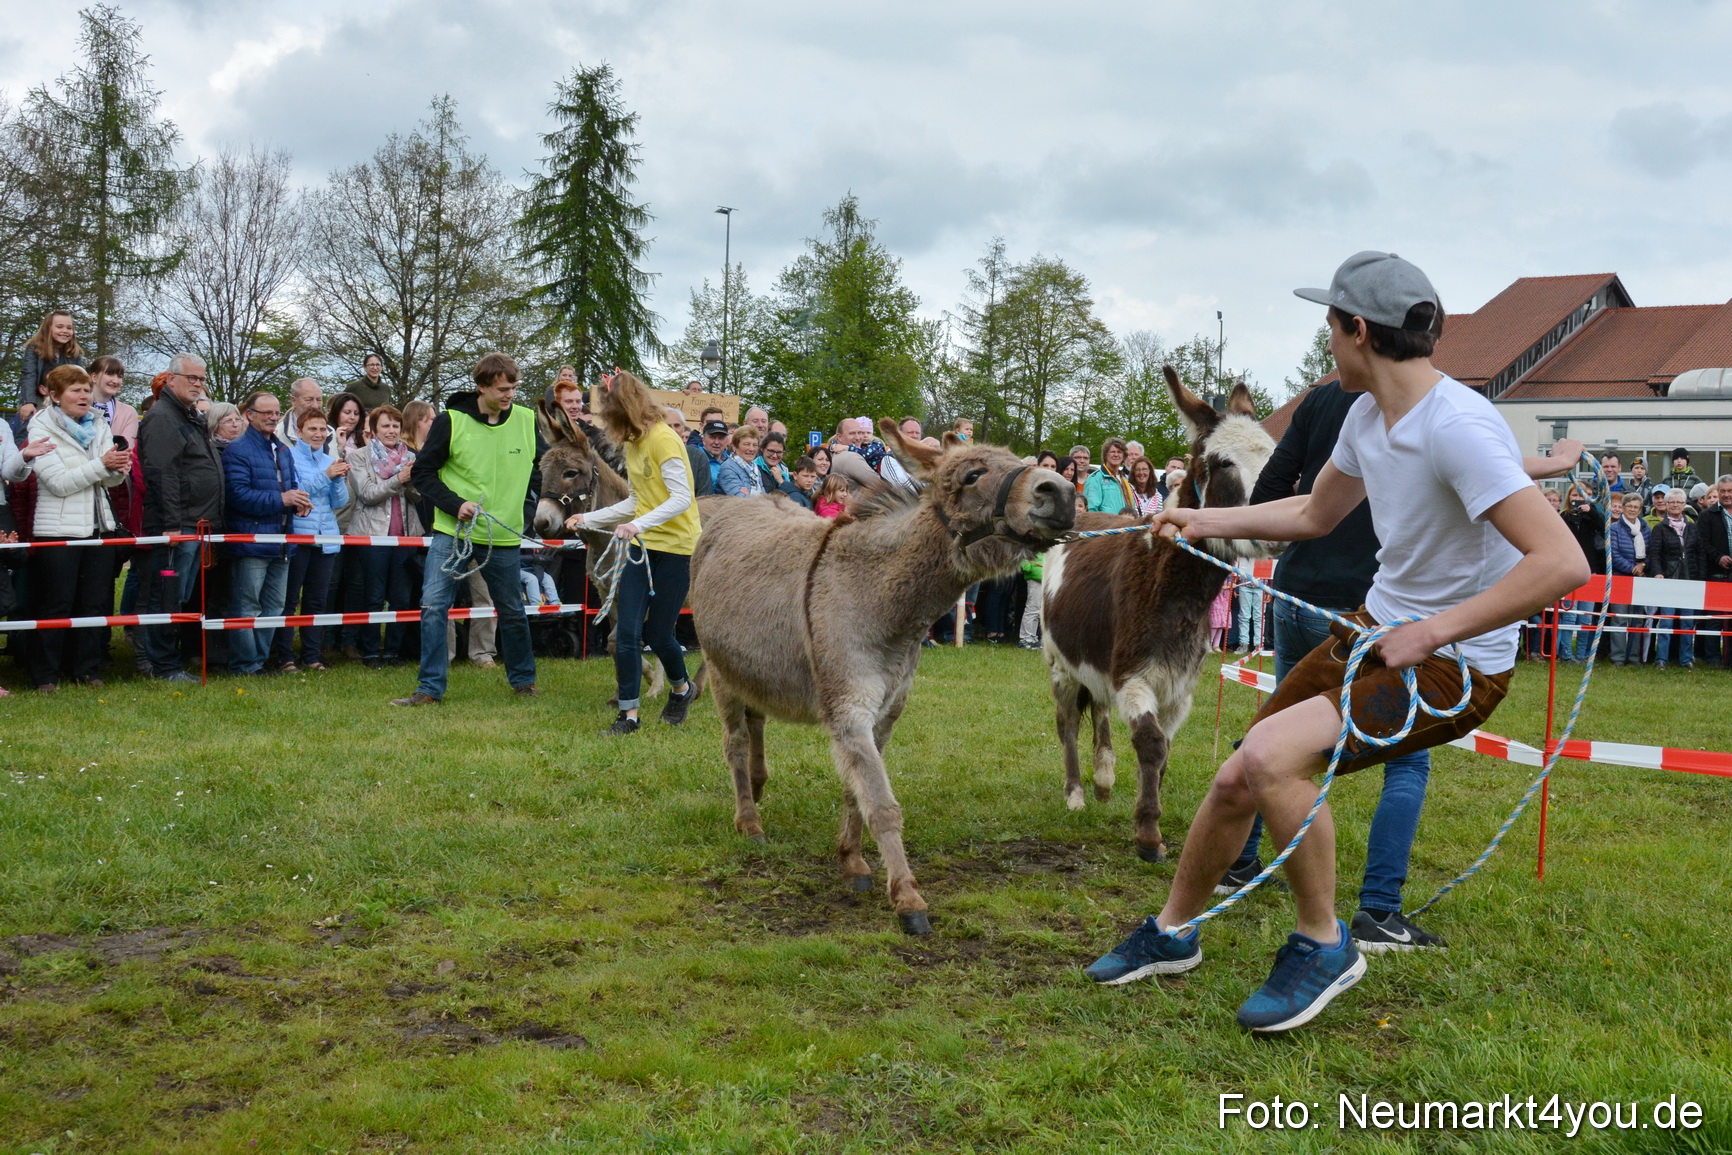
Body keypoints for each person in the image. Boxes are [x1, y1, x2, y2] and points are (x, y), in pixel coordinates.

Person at [1084, 251, 1588, 1034]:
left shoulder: (1456, 427)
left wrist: (1435, 629)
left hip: (1455, 665)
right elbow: (1314, 515)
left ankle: (1325, 942)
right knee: (1234, 778)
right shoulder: (1363, 415)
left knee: (1272, 757)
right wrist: (1204, 519)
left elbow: (1564, 562)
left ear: (1358, 330)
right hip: (1372, 627)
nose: (1325, 344)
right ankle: (1173, 932)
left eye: (1330, 326)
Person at [396, 353, 540, 705]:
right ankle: (429, 689)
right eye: (503, 389)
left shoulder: (526, 420)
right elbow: (423, 473)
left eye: (514, 388)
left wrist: (527, 509)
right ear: (482, 386)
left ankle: (524, 681)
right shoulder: (451, 421)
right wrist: (454, 504)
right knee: (432, 605)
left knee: (511, 610)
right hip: (452, 532)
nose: (510, 395)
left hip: (502, 537)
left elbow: (541, 471)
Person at [562, 369, 700, 735]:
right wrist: (589, 517)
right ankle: (629, 716)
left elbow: (681, 498)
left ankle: (682, 689)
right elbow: (637, 500)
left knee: (659, 634)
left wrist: (639, 525)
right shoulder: (634, 444)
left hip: (676, 549)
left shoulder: (664, 441)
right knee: (626, 632)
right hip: (641, 550)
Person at [25, 365, 127, 690]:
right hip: (58, 531)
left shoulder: (99, 424)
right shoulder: (40, 428)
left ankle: (86, 670)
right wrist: (102, 465)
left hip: (100, 527)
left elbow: (111, 479)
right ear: (54, 396)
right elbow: (58, 483)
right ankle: (46, 676)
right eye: (75, 390)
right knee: (57, 603)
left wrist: (118, 468)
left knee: (94, 604)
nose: (83, 395)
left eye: (86, 389)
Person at [135, 354, 222, 682]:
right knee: (167, 597)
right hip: (178, 526)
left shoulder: (189, 415)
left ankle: (169, 662)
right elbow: (162, 474)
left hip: (196, 523)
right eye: (191, 378)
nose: (198, 384)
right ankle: (163, 666)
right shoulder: (162, 417)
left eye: (201, 379)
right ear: (171, 379)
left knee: (180, 597)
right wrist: (172, 526)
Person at [224, 391, 310, 676]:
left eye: (277, 413)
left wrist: (299, 503)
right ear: (250, 414)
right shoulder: (237, 450)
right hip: (251, 542)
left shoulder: (283, 450)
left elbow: (291, 485)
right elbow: (237, 496)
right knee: (247, 605)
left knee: (274, 607)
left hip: (282, 542)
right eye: (266, 413)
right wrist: (282, 500)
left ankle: (259, 661)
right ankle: (245, 664)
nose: (274, 418)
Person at [275, 408, 350, 671]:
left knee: (317, 601)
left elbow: (340, 502)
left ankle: (312, 655)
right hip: (298, 536)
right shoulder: (289, 457)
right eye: (312, 429)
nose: (318, 434)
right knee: (290, 599)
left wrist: (338, 479)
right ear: (299, 432)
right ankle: (284, 656)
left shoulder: (328, 458)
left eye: (322, 429)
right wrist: (327, 476)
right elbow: (298, 493)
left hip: (326, 536)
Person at [348, 405, 422, 669]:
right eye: (385, 426)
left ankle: (393, 652)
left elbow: (418, 498)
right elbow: (367, 494)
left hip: (406, 536)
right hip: (372, 537)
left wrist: (412, 483)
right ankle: (369, 652)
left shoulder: (411, 456)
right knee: (373, 596)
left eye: (395, 426)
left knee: (401, 598)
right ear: (374, 430)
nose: (391, 431)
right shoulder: (359, 457)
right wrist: (399, 479)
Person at [1649, 485, 1699, 670]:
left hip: (1689, 580)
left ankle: (1686, 659)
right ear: (1667, 504)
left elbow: (1698, 553)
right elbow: (1654, 554)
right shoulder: (1660, 528)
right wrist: (1658, 573)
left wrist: (1699, 577)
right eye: (1672, 502)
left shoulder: (1692, 527)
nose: (1676, 505)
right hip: (1668, 579)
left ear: (1684, 504)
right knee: (1666, 621)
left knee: (1687, 621)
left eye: (1679, 502)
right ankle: (1661, 659)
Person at [15, 311, 84, 424]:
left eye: (69, 328)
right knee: (31, 421)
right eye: (59, 327)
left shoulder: (73, 353)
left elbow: (80, 379)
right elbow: (29, 374)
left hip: (64, 400)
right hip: (39, 398)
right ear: (48, 328)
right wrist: (28, 402)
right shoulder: (34, 349)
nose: (65, 331)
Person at [1608, 491, 1652, 667]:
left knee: (1637, 619)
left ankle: (1634, 657)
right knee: (1619, 619)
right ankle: (1618, 657)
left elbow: (1652, 551)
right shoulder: (1614, 528)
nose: (1633, 509)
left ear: (1640, 509)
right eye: (1629, 506)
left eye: (1636, 507)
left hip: (1641, 579)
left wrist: (1643, 566)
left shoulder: (1646, 528)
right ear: (1623, 508)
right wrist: (1632, 568)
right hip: (1621, 578)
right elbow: (1614, 553)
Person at [1698, 475, 1732, 669]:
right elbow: (1702, 543)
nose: (1727, 495)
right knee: (1713, 620)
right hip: (1715, 574)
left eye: (1730, 491)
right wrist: (1718, 557)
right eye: (1723, 491)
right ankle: (1712, 659)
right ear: (1717, 492)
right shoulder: (1707, 515)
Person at [662, 407, 713, 498]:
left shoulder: (698, 457)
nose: (673, 430)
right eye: (668, 426)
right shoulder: (649, 454)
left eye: (677, 425)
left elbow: (705, 496)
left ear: (683, 428)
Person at [716, 426, 764, 496]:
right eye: (747, 444)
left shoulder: (755, 468)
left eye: (755, 445)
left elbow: (764, 496)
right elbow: (740, 499)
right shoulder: (728, 468)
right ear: (735, 446)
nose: (751, 449)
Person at [276, 378, 324, 446]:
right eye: (309, 400)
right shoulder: (278, 434)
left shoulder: (330, 433)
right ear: (293, 401)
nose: (315, 406)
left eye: (319, 400)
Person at [698, 418, 732, 491]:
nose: (716, 442)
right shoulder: (695, 460)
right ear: (703, 439)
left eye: (721, 438)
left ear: (726, 441)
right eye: (712, 437)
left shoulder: (732, 463)